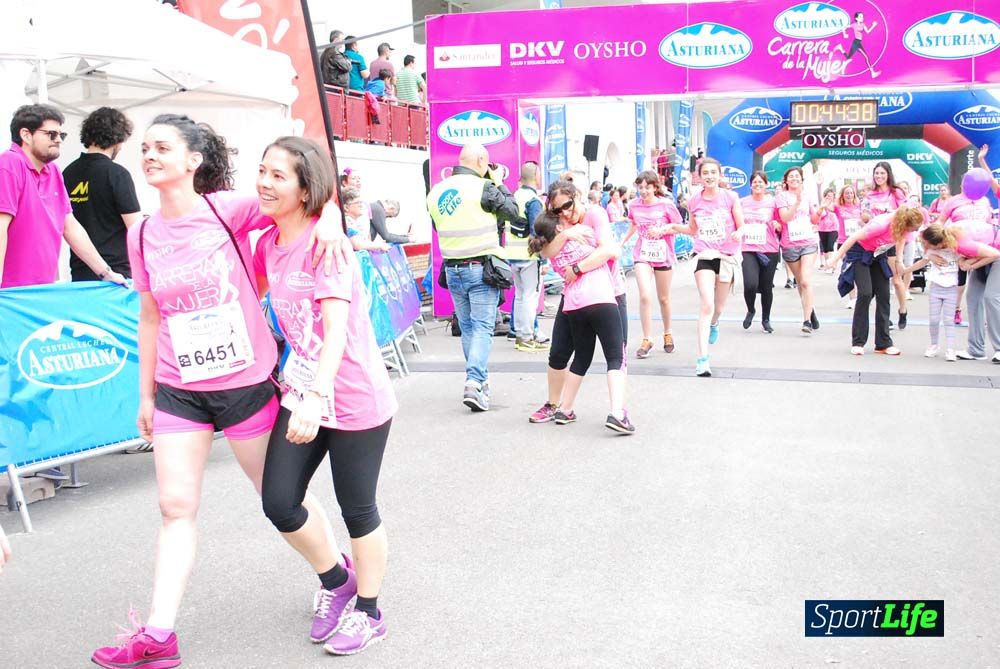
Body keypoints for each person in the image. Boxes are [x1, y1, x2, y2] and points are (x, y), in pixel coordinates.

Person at [90, 114, 348, 669]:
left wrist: (329, 219)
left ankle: (337, 578)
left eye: (163, 147)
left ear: (193, 161)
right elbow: (150, 317)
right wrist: (145, 395)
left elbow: (304, 193)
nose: (150, 155)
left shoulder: (227, 208)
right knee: (174, 507)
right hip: (179, 388)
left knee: (281, 501)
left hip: (244, 384)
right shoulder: (141, 233)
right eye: (146, 148)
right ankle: (159, 635)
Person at [253, 137, 396, 655]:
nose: (265, 184)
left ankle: (369, 611)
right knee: (279, 501)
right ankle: (338, 581)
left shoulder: (326, 245)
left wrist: (315, 397)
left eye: (278, 176)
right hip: (303, 390)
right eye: (261, 172)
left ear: (305, 187)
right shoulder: (266, 244)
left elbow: (334, 329)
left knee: (358, 509)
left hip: (351, 393)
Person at [426, 143, 524, 411]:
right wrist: (500, 182)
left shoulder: (436, 192)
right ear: (482, 160)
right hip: (482, 268)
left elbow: (438, 226)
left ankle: (479, 382)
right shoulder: (484, 188)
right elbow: (512, 212)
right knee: (483, 327)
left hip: (452, 269)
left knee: (469, 327)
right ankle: (474, 381)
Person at [528, 181, 627, 425]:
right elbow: (546, 251)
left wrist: (576, 268)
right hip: (577, 297)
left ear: (577, 196)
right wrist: (568, 234)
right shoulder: (562, 225)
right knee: (562, 353)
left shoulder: (595, 213)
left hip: (610, 291)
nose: (564, 213)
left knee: (615, 354)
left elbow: (608, 250)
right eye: (557, 210)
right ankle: (558, 406)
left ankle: (614, 409)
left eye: (568, 205)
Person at [1, 104, 129, 288]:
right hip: (11, 291)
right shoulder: (9, 163)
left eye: (61, 135)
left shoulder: (53, 171)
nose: (58, 140)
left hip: (42, 287)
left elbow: (70, 227)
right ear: (26, 135)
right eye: (51, 134)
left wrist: (105, 272)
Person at [670, 158, 744, 377]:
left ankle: (714, 323)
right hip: (704, 255)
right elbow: (693, 229)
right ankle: (702, 358)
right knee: (706, 304)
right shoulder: (694, 201)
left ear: (720, 175)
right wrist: (673, 228)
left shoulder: (730, 197)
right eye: (706, 173)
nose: (710, 176)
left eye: (714, 172)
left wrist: (739, 233)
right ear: (700, 176)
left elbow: (741, 225)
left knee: (718, 308)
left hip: (726, 256)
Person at [829, 206, 924, 356]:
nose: (914, 231)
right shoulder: (881, 224)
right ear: (904, 223)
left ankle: (883, 343)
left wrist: (899, 260)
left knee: (884, 294)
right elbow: (853, 238)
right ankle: (858, 341)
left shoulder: (903, 227)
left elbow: (900, 239)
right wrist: (835, 259)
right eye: (913, 228)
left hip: (878, 253)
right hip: (860, 252)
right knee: (866, 293)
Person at [63, 107, 143, 281]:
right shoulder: (117, 174)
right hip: (117, 275)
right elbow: (136, 229)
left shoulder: (67, 173)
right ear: (117, 139)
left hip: (80, 273)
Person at [907, 223, 1000, 364]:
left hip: (996, 254)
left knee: (991, 297)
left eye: (928, 245)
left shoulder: (961, 244)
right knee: (973, 298)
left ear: (938, 244)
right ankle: (976, 349)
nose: (926, 247)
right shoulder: (946, 237)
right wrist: (964, 261)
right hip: (985, 254)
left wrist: (971, 265)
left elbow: (994, 254)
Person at [622, 170, 681, 357]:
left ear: (655, 187)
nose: (644, 191)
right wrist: (622, 242)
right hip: (643, 254)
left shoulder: (666, 205)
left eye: (647, 187)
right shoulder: (633, 205)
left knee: (663, 298)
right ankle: (647, 338)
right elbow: (633, 224)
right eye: (640, 188)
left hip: (663, 254)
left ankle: (668, 332)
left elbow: (678, 226)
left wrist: (663, 230)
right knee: (645, 295)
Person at [901, 227, 962, 361]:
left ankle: (951, 349)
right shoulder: (931, 251)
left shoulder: (956, 250)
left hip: (951, 288)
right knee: (934, 320)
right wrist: (906, 271)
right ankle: (933, 345)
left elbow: (966, 258)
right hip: (936, 288)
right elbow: (922, 262)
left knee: (948, 320)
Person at [861, 161, 909, 328]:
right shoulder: (869, 196)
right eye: (876, 173)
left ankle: (903, 310)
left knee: (896, 280)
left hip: (893, 241)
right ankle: (884, 318)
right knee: (878, 285)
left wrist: (900, 254)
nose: (879, 176)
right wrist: (866, 217)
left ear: (888, 174)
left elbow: (905, 220)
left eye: (882, 173)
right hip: (875, 243)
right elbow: (865, 217)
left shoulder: (897, 194)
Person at [508, 161, 547, 352]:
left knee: (520, 296)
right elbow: (537, 230)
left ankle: (519, 335)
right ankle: (526, 336)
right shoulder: (533, 200)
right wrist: (543, 257)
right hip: (529, 256)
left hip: (512, 255)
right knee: (530, 297)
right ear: (536, 177)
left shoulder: (514, 196)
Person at [776, 167, 820, 334]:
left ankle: (806, 320)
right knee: (800, 281)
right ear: (786, 181)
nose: (794, 179)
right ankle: (811, 308)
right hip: (790, 244)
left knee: (806, 281)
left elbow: (814, 218)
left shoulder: (808, 195)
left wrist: (821, 211)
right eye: (791, 176)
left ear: (802, 180)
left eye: (797, 176)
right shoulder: (781, 197)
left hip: (808, 242)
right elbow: (785, 218)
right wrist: (796, 203)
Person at [740, 171, 781, 333]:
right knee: (750, 284)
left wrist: (778, 225)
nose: (757, 185)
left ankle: (766, 319)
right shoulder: (742, 203)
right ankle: (751, 309)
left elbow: (782, 219)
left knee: (766, 287)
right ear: (750, 185)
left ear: (766, 184)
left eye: (760, 182)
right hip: (748, 248)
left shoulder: (773, 202)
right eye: (755, 182)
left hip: (769, 248)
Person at [835, 184, 862, 308]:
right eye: (846, 193)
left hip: (858, 242)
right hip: (843, 242)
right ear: (842, 195)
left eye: (851, 193)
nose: (849, 195)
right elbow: (825, 206)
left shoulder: (860, 207)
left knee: (859, 269)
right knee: (849, 269)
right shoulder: (838, 207)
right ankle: (852, 297)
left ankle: (860, 297)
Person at [835, 11, 881, 77]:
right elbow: (844, 27)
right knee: (866, 57)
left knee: (848, 57)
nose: (862, 18)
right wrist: (844, 34)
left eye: (862, 16)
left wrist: (873, 26)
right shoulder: (854, 25)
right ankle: (872, 73)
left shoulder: (863, 24)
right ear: (856, 18)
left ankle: (840, 48)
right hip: (856, 42)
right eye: (860, 17)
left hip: (858, 42)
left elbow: (867, 32)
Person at [815, 187, 839, 273]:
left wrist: (827, 206)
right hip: (822, 228)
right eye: (827, 195)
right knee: (825, 249)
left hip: (833, 228)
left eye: (831, 196)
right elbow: (818, 214)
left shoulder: (835, 205)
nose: (829, 197)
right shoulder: (821, 205)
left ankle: (831, 265)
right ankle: (827, 264)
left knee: (830, 246)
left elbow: (835, 211)